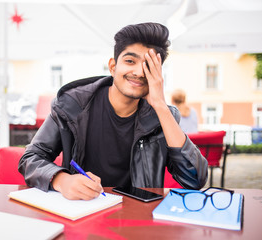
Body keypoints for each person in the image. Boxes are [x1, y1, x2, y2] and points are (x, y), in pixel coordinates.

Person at [19, 22, 208, 200]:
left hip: (138, 216)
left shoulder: (163, 116)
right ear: (113, 66)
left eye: (149, 66)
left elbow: (194, 180)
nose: (139, 72)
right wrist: (62, 180)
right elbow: (30, 158)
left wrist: (160, 105)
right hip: (82, 210)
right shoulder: (72, 104)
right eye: (130, 61)